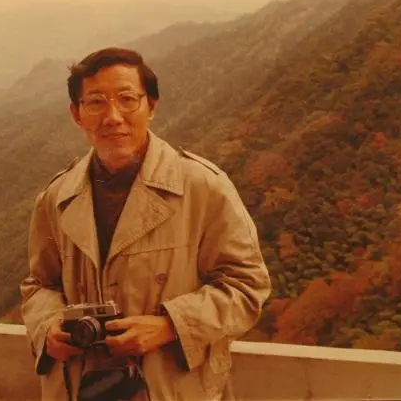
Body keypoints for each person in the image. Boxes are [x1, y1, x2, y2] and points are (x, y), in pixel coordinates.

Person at [20, 47, 271, 401]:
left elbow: (247, 286)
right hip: (78, 387)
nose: (112, 117)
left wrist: (170, 325)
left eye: (127, 99)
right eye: (96, 102)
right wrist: (49, 326)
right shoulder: (56, 197)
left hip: (171, 388)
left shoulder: (202, 187)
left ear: (151, 106)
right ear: (76, 114)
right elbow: (39, 285)